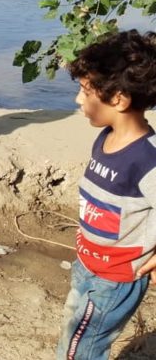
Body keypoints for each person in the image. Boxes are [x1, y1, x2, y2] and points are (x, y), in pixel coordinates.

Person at [55, 29, 156, 359]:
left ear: (118, 99)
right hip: (87, 264)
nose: (78, 101)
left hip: (114, 281)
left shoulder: (146, 160)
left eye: (86, 92)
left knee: (81, 348)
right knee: (72, 332)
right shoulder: (106, 138)